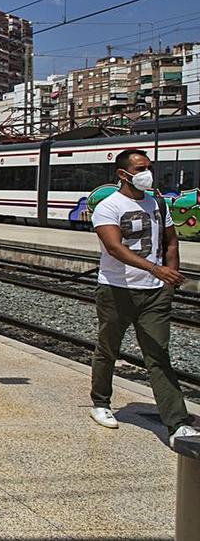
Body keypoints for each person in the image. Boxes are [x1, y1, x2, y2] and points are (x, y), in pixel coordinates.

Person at [89, 149, 198, 447]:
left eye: (148, 167)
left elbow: (171, 241)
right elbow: (114, 247)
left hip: (154, 294)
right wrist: (157, 269)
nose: (147, 172)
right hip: (116, 291)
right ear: (123, 174)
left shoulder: (156, 202)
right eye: (140, 168)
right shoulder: (108, 206)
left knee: (158, 355)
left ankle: (177, 424)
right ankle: (100, 402)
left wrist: (169, 277)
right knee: (108, 348)